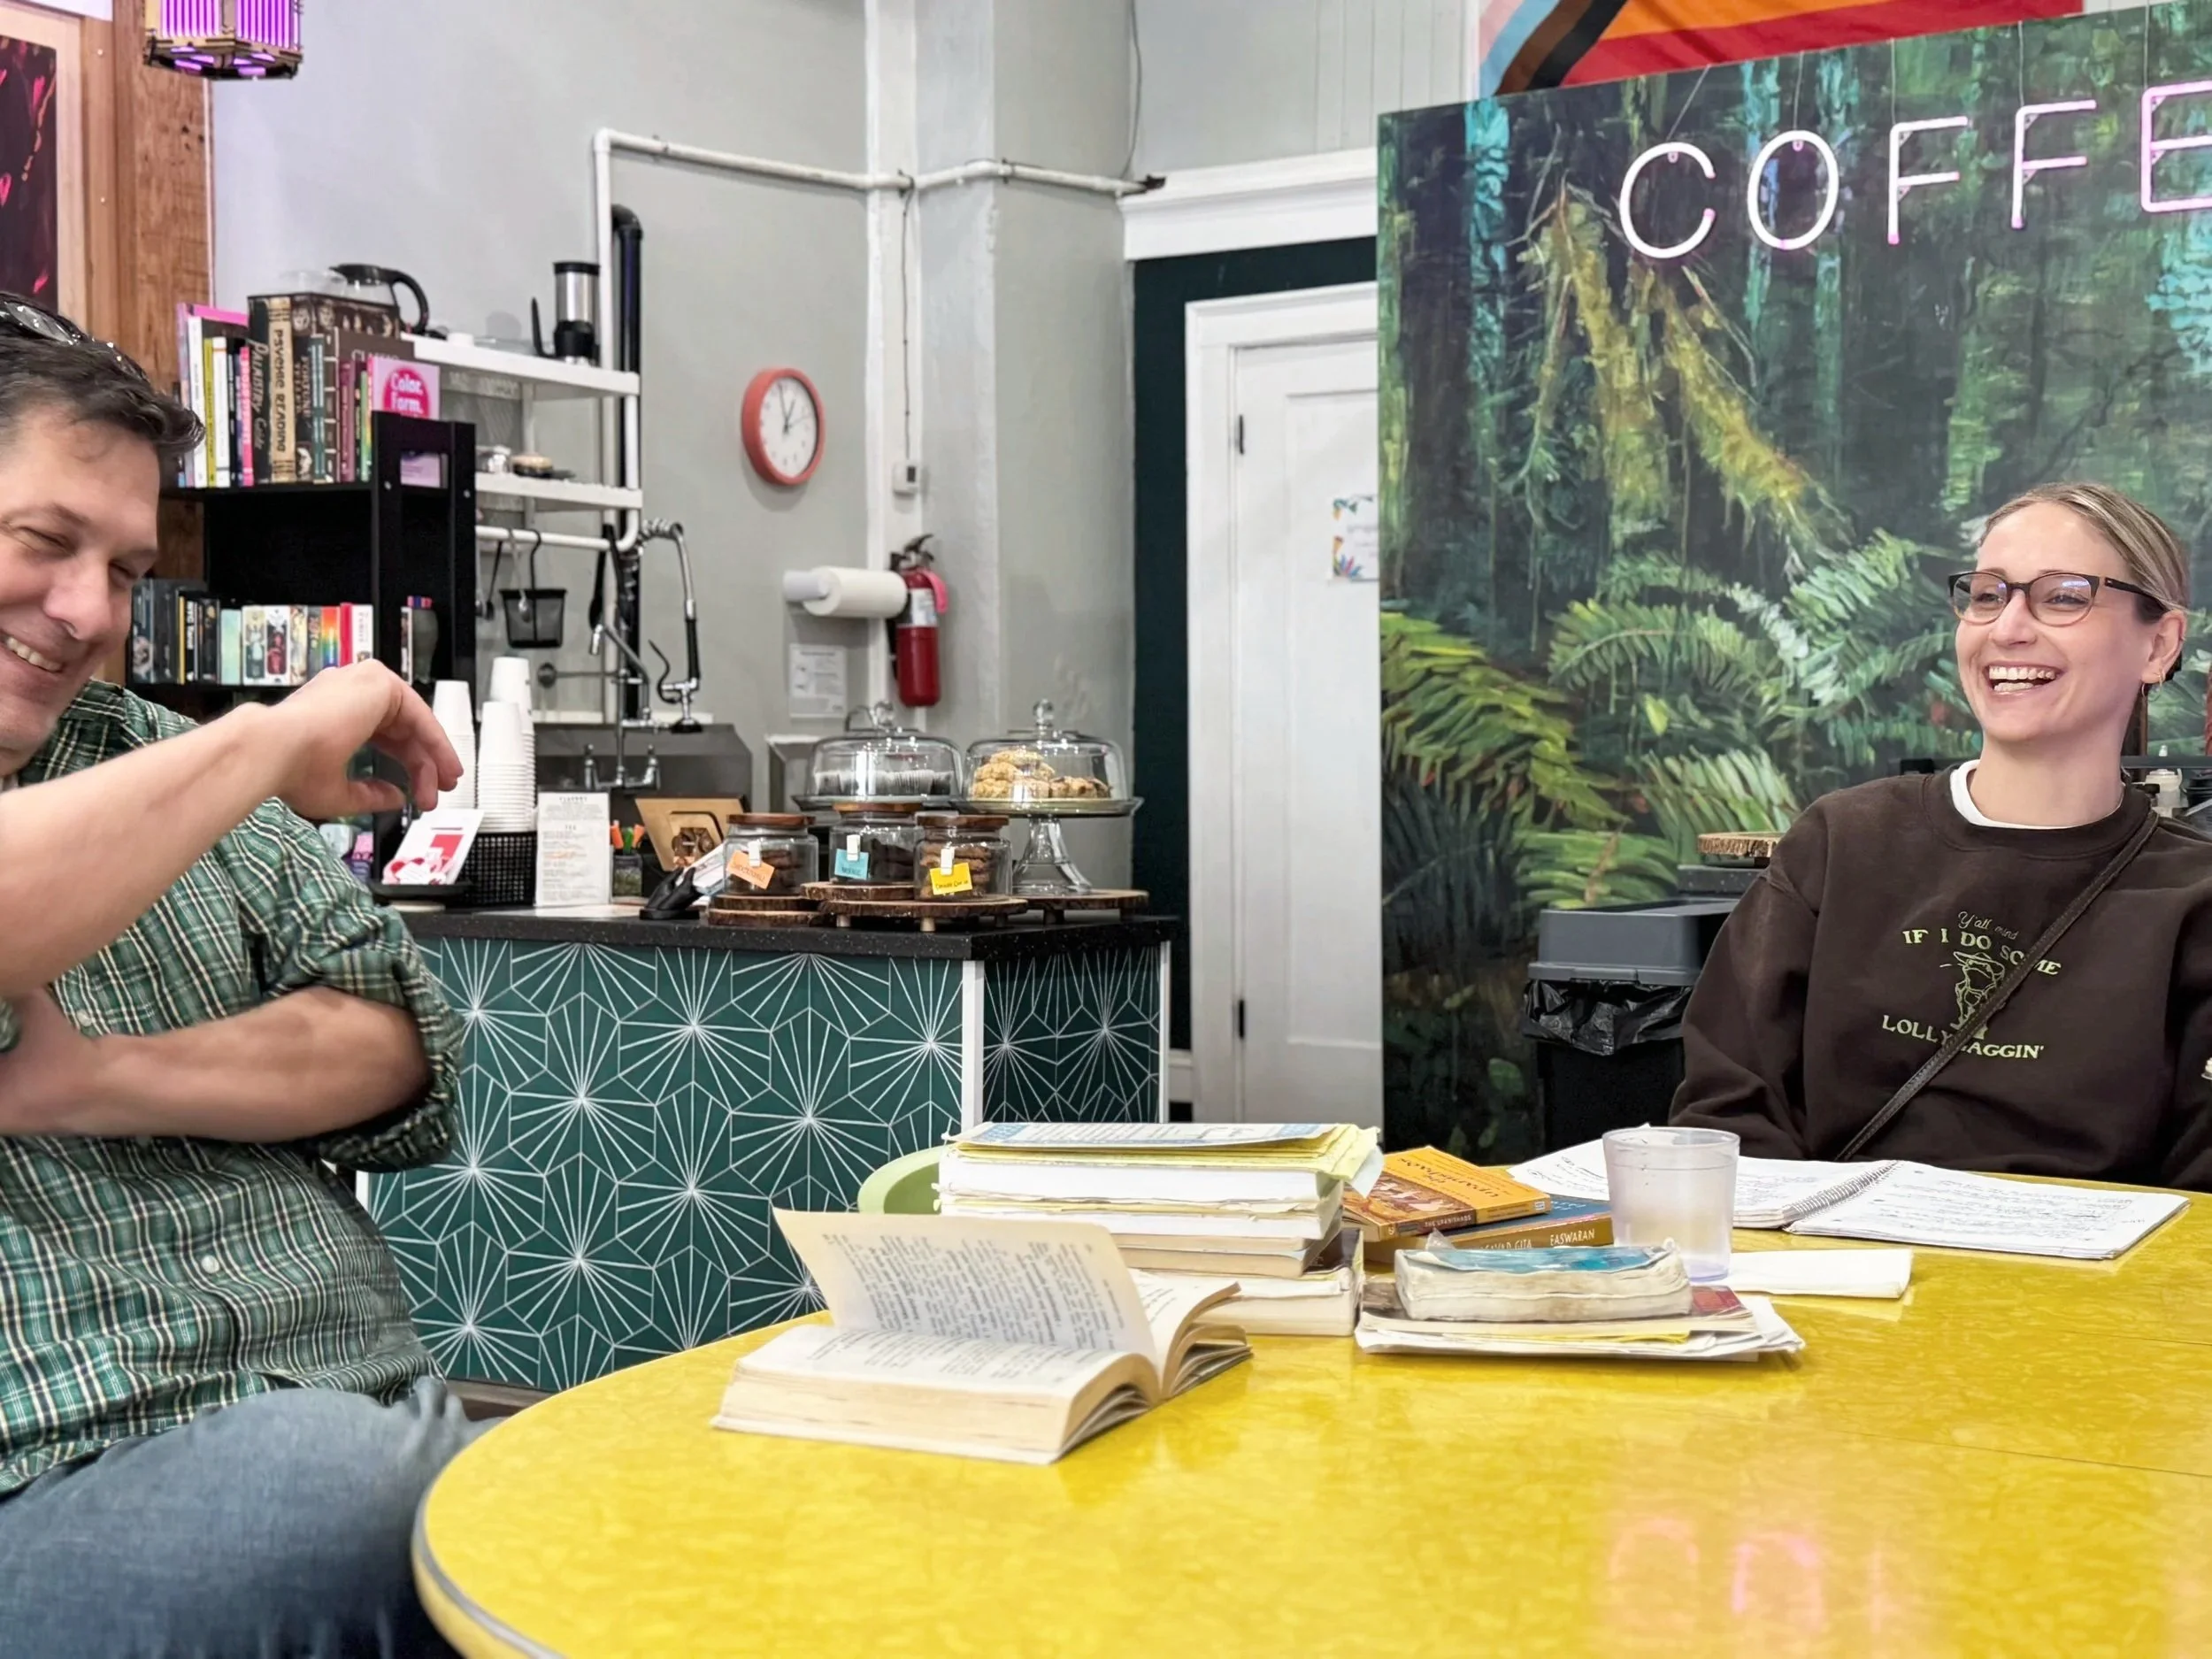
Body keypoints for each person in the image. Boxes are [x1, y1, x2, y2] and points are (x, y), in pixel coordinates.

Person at [0, 294, 480, 1656]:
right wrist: (270, 740)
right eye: (44, 541)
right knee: (378, 1503)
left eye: (129, 569)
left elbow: (400, 1036)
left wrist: (92, 1081)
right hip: (55, 1464)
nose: (88, 611)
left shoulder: (145, 747)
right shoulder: (217, 768)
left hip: (363, 1389)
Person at [1672, 481, 2212, 1189]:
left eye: (2063, 596)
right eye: (1988, 594)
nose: (2008, 628)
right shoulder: (1842, 843)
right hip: (1834, 1281)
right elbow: (1726, 1113)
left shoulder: (2194, 900)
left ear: (2160, 643)